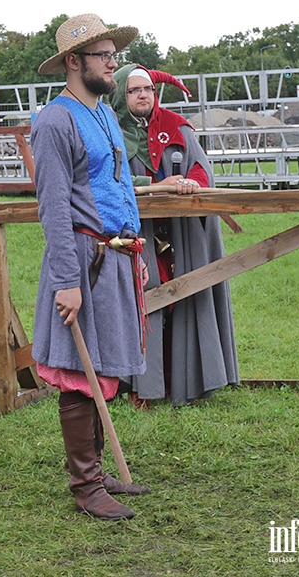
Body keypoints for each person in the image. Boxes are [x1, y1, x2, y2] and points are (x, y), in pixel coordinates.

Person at [31, 14, 152, 521]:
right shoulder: (55, 121)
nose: (113, 63)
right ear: (74, 62)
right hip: (81, 259)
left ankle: (99, 472)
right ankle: (85, 487)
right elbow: (53, 206)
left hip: (114, 253)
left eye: (113, 54)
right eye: (104, 56)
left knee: (102, 367)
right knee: (80, 373)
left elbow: (120, 185)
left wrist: (134, 250)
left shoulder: (103, 112)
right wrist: (66, 281)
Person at [108, 65, 239, 406]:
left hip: (181, 234)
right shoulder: (109, 133)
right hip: (137, 230)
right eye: (134, 90)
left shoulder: (176, 127)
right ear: (121, 95)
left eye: (148, 89)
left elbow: (201, 168)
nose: (143, 95)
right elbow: (108, 181)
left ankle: (186, 384)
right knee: (145, 299)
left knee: (186, 298)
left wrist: (191, 182)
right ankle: (142, 387)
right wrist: (155, 186)